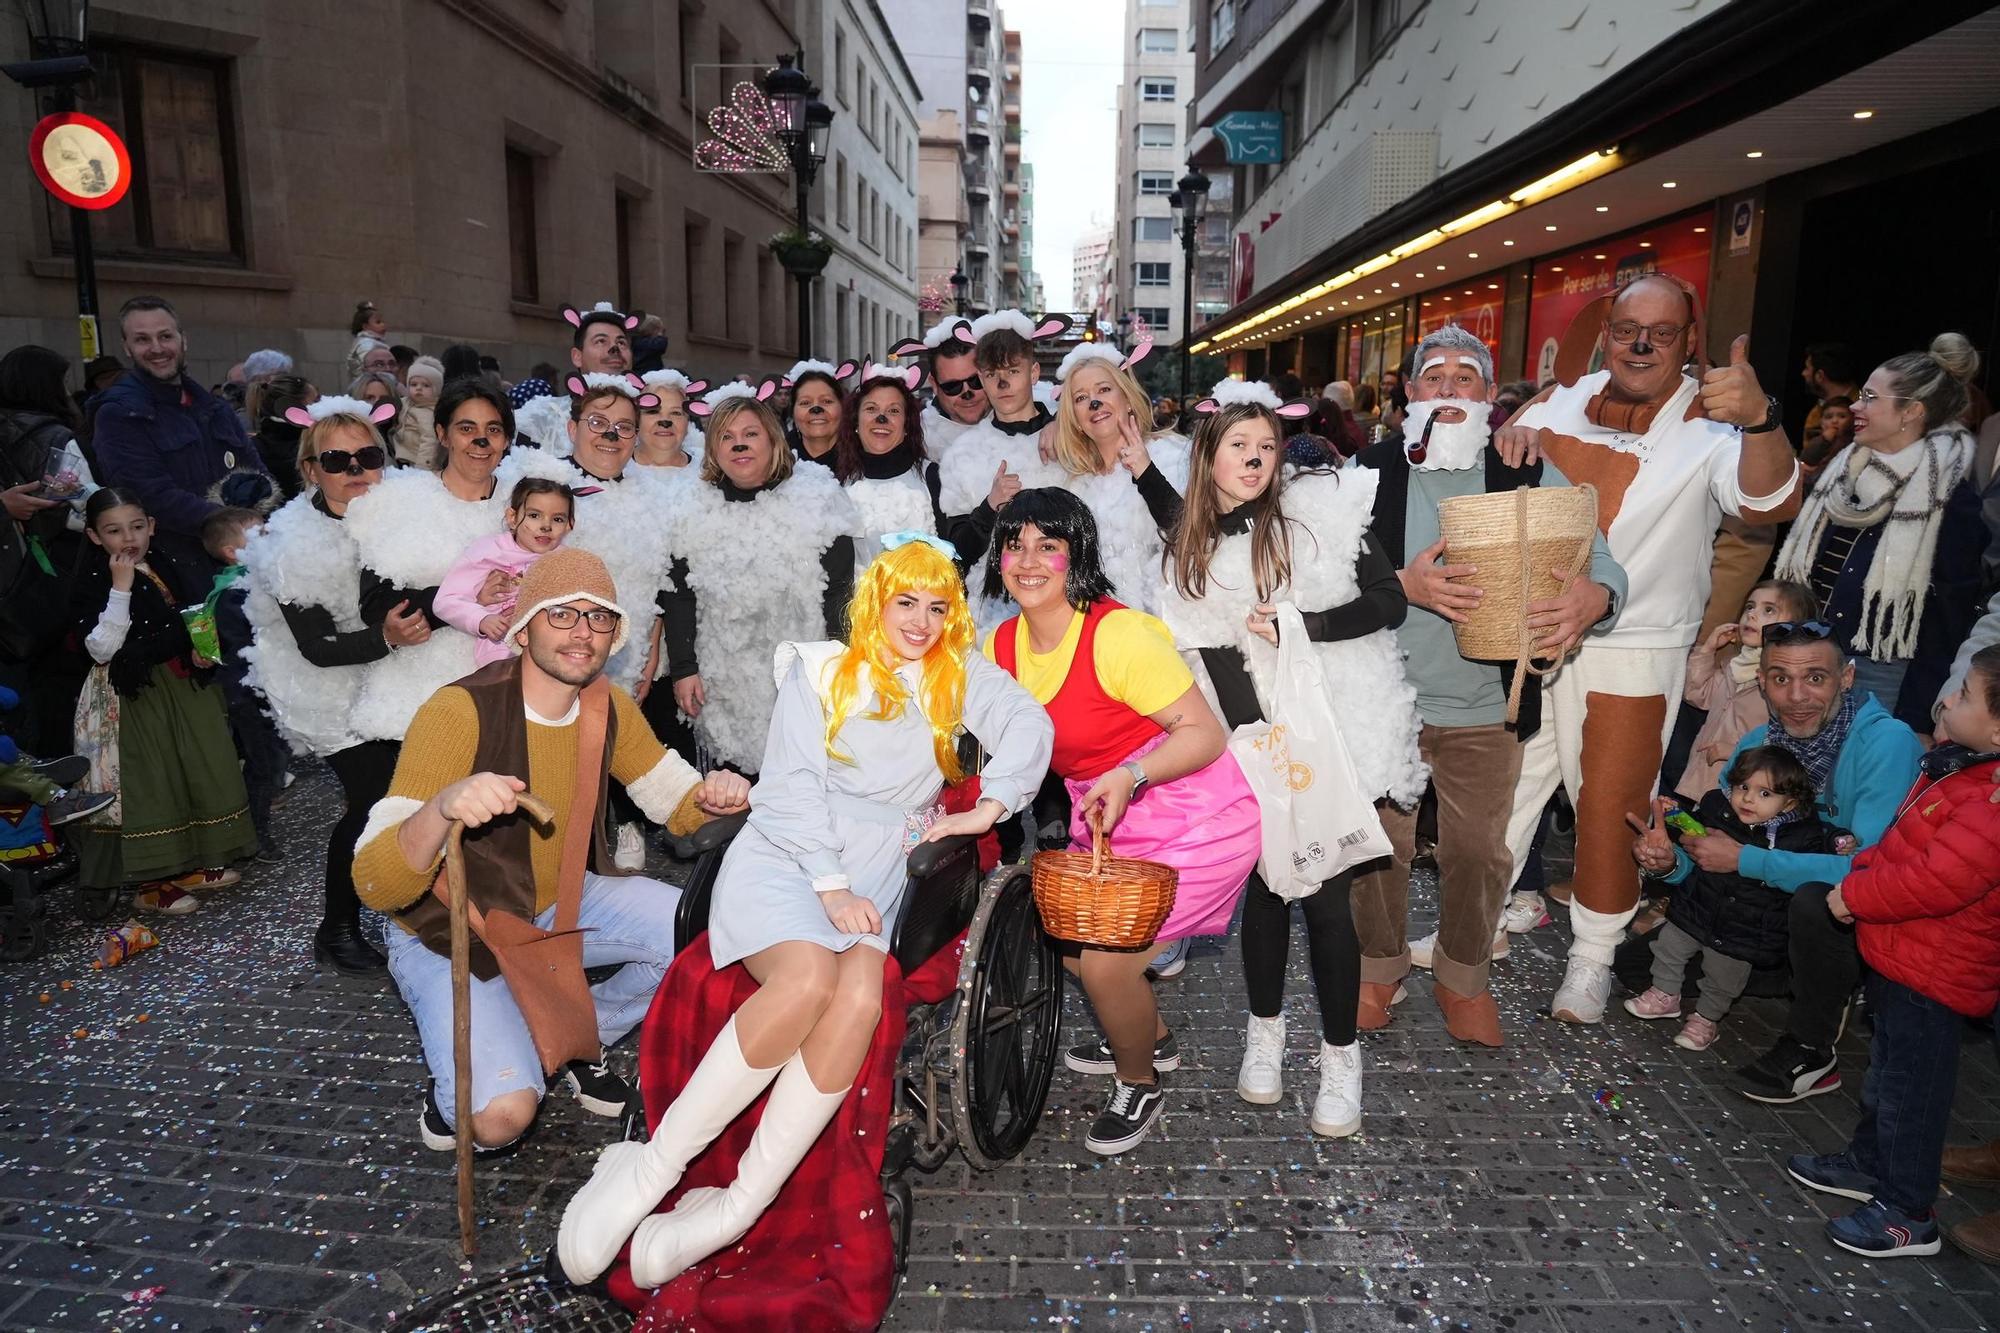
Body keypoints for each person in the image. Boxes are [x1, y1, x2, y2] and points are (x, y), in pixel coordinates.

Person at [555, 536, 1051, 1287]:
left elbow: (1030, 726)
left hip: (882, 871)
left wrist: (990, 806)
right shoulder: (820, 668)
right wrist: (831, 886)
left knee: (857, 992)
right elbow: (786, 788)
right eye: (904, 603)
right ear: (876, 603)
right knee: (809, 980)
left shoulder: (958, 677)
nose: (919, 621)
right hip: (788, 857)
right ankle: (651, 1169)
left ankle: (735, 1207)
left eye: (937, 607)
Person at [351, 547, 749, 1152]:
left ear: (616, 634)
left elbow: (677, 801)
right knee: (501, 1118)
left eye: (598, 618)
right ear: (524, 625)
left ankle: (571, 1034)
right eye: (561, 614)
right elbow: (376, 884)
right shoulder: (458, 711)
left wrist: (719, 795)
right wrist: (440, 808)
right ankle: (481, 1075)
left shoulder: (606, 704)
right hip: (451, 927)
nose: (581, 633)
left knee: (711, 932)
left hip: (559, 903)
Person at [1493, 274, 1802, 1023]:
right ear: (1606, 330)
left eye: (1661, 333)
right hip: (1533, 639)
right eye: (1629, 326)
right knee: (1499, 792)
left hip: (1633, 647)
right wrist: (1512, 437)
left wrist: (1760, 418)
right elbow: (1491, 471)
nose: (1639, 343)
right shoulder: (1563, 398)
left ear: (1688, 340)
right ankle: (1475, 929)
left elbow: (1770, 500)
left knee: (1612, 806)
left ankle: (1592, 961)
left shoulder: (1713, 423)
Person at [1155, 385, 1421, 1135]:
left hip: (1336, 733)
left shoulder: (1322, 514)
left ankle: (1341, 1059)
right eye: (1237, 445)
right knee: (1269, 892)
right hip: (1256, 742)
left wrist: (1305, 626)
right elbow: (1204, 643)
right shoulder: (1186, 547)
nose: (1253, 459)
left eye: (1265, 447)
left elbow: (1388, 599)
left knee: (1330, 900)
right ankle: (1263, 1034)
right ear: (1208, 456)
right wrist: (1261, 741)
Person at [1349, 324, 1625, 1044]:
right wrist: (1398, 585)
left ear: (1488, 395)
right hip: (1383, 701)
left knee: (1480, 853)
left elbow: (1599, 558)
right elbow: (1316, 575)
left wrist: (1596, 599)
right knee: (1378, 848)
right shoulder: (1367, 470)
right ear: (1408, 393)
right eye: (1432, 375)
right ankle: (1378, 967)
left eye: (1465, 375)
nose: (1448, 387)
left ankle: (1462, 974)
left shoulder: (1524, 469)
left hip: (1485, 705)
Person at [985, 488, 1259, 1154]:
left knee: (1106, 964)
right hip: (1107, 817)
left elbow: (1205, 735)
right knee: (1072, 945)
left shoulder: (1119, 633)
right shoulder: (1000, 645)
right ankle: (1148, 1035)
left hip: (1196, 813)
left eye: (1047, 546)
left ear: (1075, 555)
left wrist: (1132, 774)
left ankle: (1138, 1079)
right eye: (1014, 545)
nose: (1028, 561)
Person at [1626, 622, 1922, 1102]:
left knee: (1815, 901)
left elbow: (1870, 872)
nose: (1797, 695)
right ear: (1762, 682)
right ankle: (1760, 974)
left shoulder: (1886, 745)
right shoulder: (1759, 742)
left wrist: (1748, 860)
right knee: (1635, 967)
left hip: (1840, 913)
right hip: (1748, 909)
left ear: (1846, 678)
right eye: (1781, 679)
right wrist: (1666, 863)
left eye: (1816, 678)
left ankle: (1812, 1047)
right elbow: (1714, 848)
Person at [1783, 644, 2000, 1258]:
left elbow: (1938, 878)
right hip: (1905, 958)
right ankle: (1870, 1163)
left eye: (1963, 695)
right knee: (1887, 1073)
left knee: (1914, 1093)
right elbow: (1903, 844)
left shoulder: (1991, 804)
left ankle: (1909, 1212)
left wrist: (1858, 896)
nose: (1947, 699)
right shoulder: (1961, 769)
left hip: (1935, 972)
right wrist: (1864, 872)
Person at [242, 395, 427, 972]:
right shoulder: (293, 543)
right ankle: (338, 927)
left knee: (414, 791)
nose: (355, 472)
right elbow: (316, 649)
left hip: (387, 673)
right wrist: (390, 639)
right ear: (309, 470)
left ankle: (410, 908)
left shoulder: (399, 512)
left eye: (367, 457)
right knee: (373, 799)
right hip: (323, 691)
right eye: (337, 461)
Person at [1772, 335, 1984, 735]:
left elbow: (1948, 619)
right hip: (1809, 658)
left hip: (1879, 677)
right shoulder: (1846, 470)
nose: (1855, 405)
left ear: (1911, 412)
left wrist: (1918, 718)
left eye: (1870, 397)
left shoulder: (1948, 498)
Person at [69, 487, 257, 914]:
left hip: (180, 682)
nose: (128, 538)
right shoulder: (95, 580)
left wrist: (196, 646)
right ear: (96, 537)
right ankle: (151, 880)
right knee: (151, 780)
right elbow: (101, 648)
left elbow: (187, 614)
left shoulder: (165, 562)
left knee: (196, 765)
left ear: (152, 526)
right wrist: (121, 587)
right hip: (132, 695)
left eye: (137, 526)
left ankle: (190, 860)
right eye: (114, 531)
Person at [661, 384, 860, 773]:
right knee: (733, 790)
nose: (739, 445)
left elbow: (840, 592)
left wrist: (839, 666)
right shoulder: (690, 507)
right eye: (727, 437)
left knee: (803, 782)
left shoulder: (818, 497)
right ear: (714, 450)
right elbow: (679, 596)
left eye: (750, 434)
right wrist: (684, 668)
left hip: (802, 673)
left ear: (772, 439)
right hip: (725, 679)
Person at [1626, 745, 1852, 1050]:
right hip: (1697, 906)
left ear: (1789, 804)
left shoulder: (1800, 835)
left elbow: (1823, 844)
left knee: (1723, 977)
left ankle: (1706, 1019)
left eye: (1765, 794)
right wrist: (1674, 816)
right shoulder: (1718, 810)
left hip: (1746, 926)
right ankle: (1664, 993)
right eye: (1743, 787)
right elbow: (1692, 837)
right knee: (1668, 946)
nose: (1747, 799)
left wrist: (1839, 840)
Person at [92, 297, 271, 572]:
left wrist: (259, 525)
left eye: (165, 336)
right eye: (142, 339)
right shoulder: (119, 414)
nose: (156, 348)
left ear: (183, 340)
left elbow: (258, 476)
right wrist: (234, 525)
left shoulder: (215, 408)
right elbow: (150, 495)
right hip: (180, 566)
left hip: (246, 557)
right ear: (127, 348)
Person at [1043, 343, 1190, 617]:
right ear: (1075, 419)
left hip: (1165, 634)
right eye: (1081, 398)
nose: (1094, 403)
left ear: (1128, 397)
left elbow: (1191, 539)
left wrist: (1146, 471)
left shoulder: (1174, 458)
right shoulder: (1073, 486)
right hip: (1097, 634)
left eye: (1104, 389)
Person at [934, 312, 1070, 607]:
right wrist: (988, 507)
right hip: (992, 613)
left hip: (1069, 605)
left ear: (1033, 373)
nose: (1002, 384)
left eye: (1012, 371)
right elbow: (956, 554)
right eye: (992, 374)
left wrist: (1066, 423)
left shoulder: (1069, 439)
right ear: (981, 378)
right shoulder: (962, 454)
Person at [1675, 580, 1819, 800]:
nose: (1752, 615)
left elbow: (1790, 744)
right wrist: (1707, 650)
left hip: (1746, 793)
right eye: (1750, 607)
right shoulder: (1734, 665)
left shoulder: (1789, 685)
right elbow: (1698, 695)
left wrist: (1736, 751)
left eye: (1768, 610)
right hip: (1699, 782)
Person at [201, 505, 287, 863]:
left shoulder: (246, 584)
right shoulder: (234, 594)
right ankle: (255, 835)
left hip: (255, 689)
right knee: (262, 763)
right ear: (232, 553)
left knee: (269, 760)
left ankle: (254, 824)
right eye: (259, 534)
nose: (268, 538)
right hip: (246, 692)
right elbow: (252, 641)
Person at [435, 477, 575, 667]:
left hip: (553, 643)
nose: (546, 526)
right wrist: (481, 619)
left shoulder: (567, 562)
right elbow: (447, 600)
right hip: (502, 643)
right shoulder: (488, 551)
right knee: (509, 681)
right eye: (534, 515)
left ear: (569, 525)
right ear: (512, 518)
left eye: (557, 519)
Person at [832, 363, 948, 564]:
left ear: (906, 424)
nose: (881, 418)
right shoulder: (838, 484)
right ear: (855, 421)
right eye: (871, 409)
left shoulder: (933, 477)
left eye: (893, 410)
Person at [515, 302, 641, 449]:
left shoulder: (651, 417)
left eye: (621, 342)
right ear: (577, 356)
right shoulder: (541, 418)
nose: (615, 349)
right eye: (601, 341)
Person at [891, 317, 990, 459]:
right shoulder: (914, 441)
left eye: (976, 381)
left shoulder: (1020, 424)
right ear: (934, 385)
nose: (967, 393)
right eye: (952, 386)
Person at [634, 369, 708, 474]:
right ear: (636, 419)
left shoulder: (707, 471)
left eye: (676, 413)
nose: (665, 421)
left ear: (687, 422)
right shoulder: (617, 468)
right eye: (653, 411)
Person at [785, 359, 854, 466]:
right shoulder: (776, 461)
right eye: (805, 402)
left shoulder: (862, 458)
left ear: (842, 407)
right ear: (793, 411)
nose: (816, 410)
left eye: (827, 401)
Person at [1799, 341, 1863, 443]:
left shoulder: (1865, 409)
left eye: (1807, 368)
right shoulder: (1815, 414)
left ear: (1820, 375)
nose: (1803, 373)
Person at [394, 356, 445, 470]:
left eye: (426, 385)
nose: (419, 388)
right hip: (402, 454)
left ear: (436, 389)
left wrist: (423, 466)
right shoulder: (406, 402)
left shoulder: (429, 413)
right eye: (413, 384)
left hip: (417, 459)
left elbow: (430, 440)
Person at [1802, 395, 1852, 474]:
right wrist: (1824, 439)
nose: (1834, 421)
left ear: (1852, 419)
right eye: (1829, 417)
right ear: (1822, 423)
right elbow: (1807, 458)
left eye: (1842, 416)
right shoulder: (1818, 439)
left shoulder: (1853, 441)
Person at [345, 301, 389, 383]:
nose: (383, 324)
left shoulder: (374, 342)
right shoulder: (366, 344)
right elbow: (369, 368)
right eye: (378, 322)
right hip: (366, 385)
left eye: (383, 321)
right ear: (365, 326)